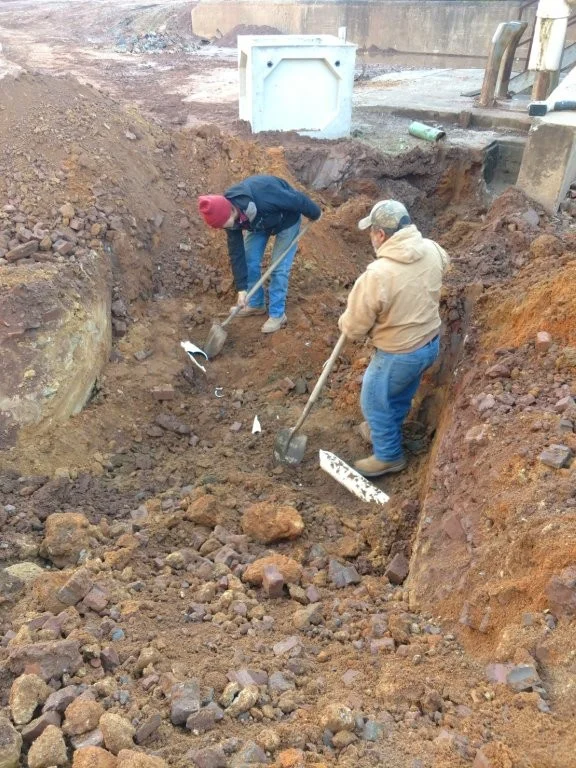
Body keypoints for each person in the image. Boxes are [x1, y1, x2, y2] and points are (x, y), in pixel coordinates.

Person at [338, 200, 449, 478]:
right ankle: (384, 430)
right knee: (399, 394)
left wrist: (346, 322)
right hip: (430, 343)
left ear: (380, 235)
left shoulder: (378, 274)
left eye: (371, 231)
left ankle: (389, 456)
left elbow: (354, 328)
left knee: (374, 400)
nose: (370, 237)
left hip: (398, 353)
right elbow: (445, 266)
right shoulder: (433, 249)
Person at [197, 175, 321, 334]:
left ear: (230, 211)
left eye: (222, 224)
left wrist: (315, 213)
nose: (222, 228)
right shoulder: (229, 220)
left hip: (286, 220)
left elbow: (296, 199)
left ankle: (277, 314)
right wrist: (242, 289)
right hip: (259, 224)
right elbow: (237, 254)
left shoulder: (264, 195)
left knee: (278, 268)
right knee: (249, 261)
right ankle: (255, 304)